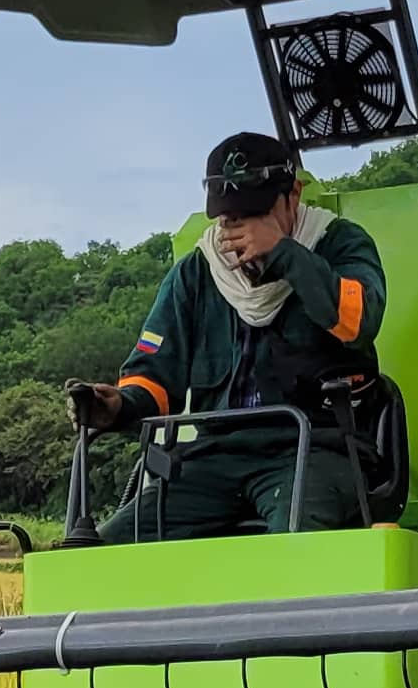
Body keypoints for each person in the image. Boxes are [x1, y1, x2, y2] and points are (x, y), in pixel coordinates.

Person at [71, 132, 387, 538]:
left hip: (317, 450)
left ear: (293, 195)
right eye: (229, 217)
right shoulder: (195, 274)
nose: (240, 230)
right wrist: (117, 407)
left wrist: (285, 253)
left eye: (254, 214)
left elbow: (359, 322)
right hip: (212, 457)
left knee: (297, 540)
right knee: (110, 547)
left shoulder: (340, 244)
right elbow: (154, 378)